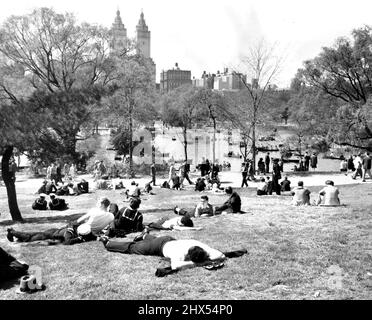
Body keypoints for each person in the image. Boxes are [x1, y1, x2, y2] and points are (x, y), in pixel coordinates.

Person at [100, 232, 226, 271]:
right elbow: (176, 265)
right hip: (158, 246)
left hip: (168, 239)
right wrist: (199, 264)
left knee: (148, 241)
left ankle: (145, 236)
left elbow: (221, 254)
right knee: (133, 247)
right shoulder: (180, 254)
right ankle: (109, 243)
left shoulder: (198, 244)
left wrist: (209, 257)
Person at [6, 222, 96, 245]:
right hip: (48, 235)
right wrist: (78, 239)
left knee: (31, 234)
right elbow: (67, 242)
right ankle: (13, 232)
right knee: (29, 237)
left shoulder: (77, 227)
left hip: (54, 231)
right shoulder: (69, 232)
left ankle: (13, 232)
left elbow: (90, 235)